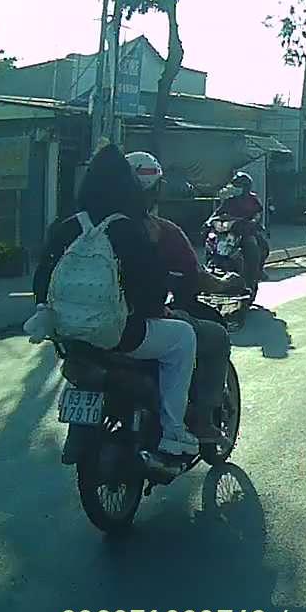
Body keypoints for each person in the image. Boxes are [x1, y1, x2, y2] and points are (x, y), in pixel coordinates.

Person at [33, 145, 199, 457]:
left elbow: (42, 277)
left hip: (69, 336)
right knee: (184, 338)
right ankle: (174, 431)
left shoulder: (66, 226)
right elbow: (150, 287)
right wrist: (156, 309)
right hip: (120, 335)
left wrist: (47, 311)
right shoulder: (128, 228)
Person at [127, 151, 236, 445]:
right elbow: (194, 275)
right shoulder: (156, 230)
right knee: (213, 337)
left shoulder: (85, 225)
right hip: (137, 326)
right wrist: (224, 284)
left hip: (84, 330)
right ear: (156, 189)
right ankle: (199, 421)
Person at [218, 171, 267, 289]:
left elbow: (258, 214)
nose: (235, 187)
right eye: (235, 185)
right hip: (228, 231)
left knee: (258, 246)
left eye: (238, 185)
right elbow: (218, 213)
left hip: (246, 231)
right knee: (212, 241)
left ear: (246, 187)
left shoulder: (253, 199)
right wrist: (209, 222)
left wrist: (253, 221)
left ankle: (255, 272)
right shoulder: (229, 200)